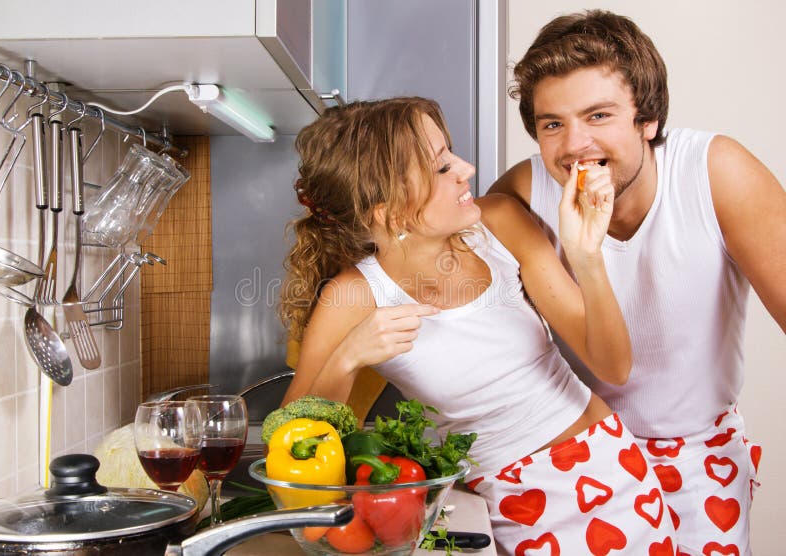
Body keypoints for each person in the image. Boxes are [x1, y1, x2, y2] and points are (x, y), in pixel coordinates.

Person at [280, 97, 677, 555]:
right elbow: (293, 451)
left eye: (451, 154)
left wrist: (586, 257)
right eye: (441, 166)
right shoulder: (354, 297)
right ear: (384, 211)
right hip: (507, 505)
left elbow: (614, 366)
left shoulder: (500, 225)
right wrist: (349, 356)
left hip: (612, 472)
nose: (466, 168)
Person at [489, 10, 786, 555]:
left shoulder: (715, 173)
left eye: (598, 115)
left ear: (647, 118)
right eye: (552, 123)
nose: (575, 143)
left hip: (699, 457)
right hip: (570, 459)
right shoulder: (522, 196)